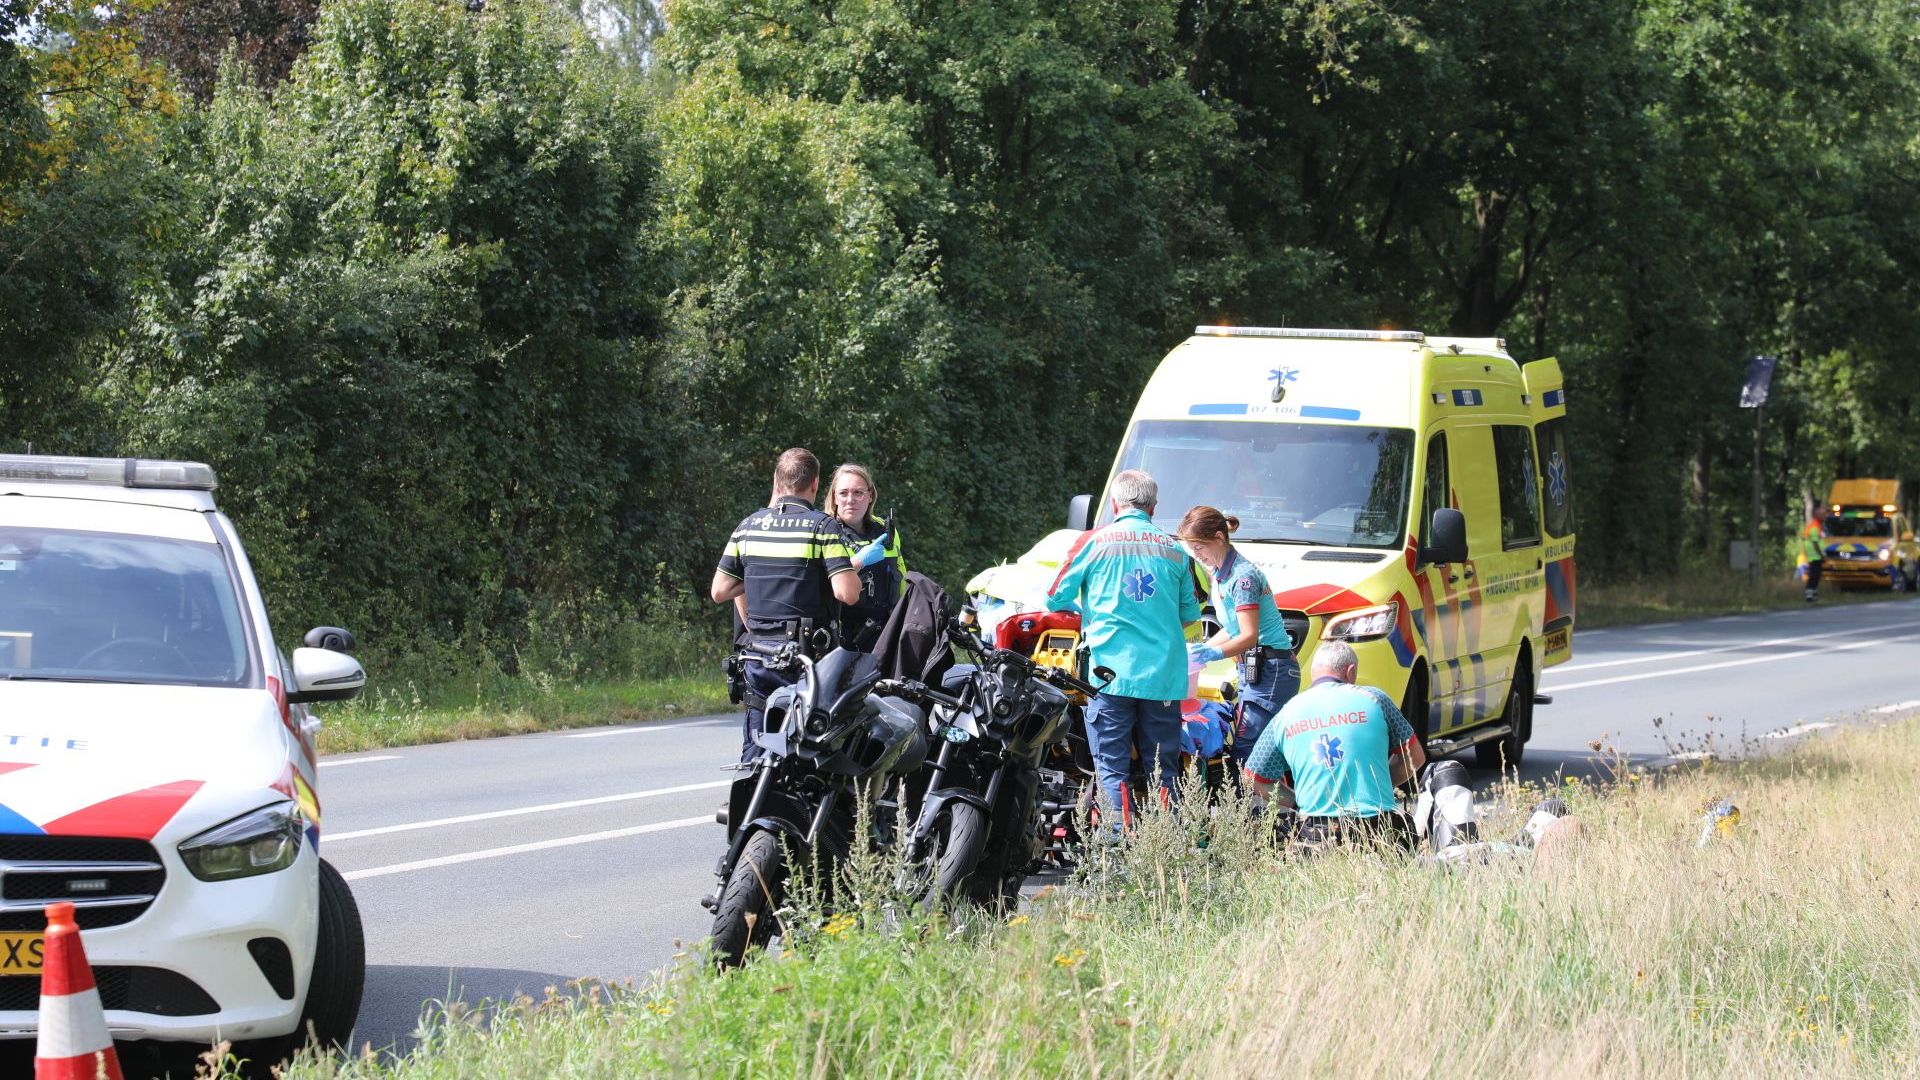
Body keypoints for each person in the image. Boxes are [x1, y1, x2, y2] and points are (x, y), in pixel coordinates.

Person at [1045, 469, 1201, 825]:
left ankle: (1116, 846)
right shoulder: (1176, 551)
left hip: (1109, 674)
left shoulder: (1092, 542)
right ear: (1153, 506)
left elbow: (1054, 598)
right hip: (1162, 677)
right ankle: (1166, 847)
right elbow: (1190, 613)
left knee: (1112, 769)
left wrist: (1091, 615)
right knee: (1163, 770)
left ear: (1114, 503)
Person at [711, 448, 863, 763]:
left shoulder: (748, 526)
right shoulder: (823, 527)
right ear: (815, 485)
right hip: (807, 661)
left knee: (756, 752)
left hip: (758, 658)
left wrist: (756, 577)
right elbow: (847, 594)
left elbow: (720, 590)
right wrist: (846, 570)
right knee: (808, 756)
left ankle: (749, 807)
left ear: (778, 483)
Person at [1241, 640, 1427, 846]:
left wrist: (1295, 802)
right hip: (1378, 830)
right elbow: (1415, 757)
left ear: (1314, 674)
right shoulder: (1375, 698)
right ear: (1351, 671)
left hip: (1317, 836)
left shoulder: (1286, 714)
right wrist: (1376, 783)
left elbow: (1253, 777)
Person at [1176, 505, 1300, 770]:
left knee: (1246, 751)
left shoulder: (1243, 578)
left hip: (1273, 670)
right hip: (1254, 670)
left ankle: (1257, 809)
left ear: (1219, 538)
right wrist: (1203, 648)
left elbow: (1249, 635)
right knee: (1250, 749)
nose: (1197, 556)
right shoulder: (1220, 575)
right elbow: (1232, 628)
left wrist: (1215, 654)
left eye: (1199, 548)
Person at [824, 463, 907, 652]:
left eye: (858, 493)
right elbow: (817, 586)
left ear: (870, 496)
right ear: (834, 497)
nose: (850, 500)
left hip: (885, 634)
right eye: (843, 493)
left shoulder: (884, 529)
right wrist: (857, 562)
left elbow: (900, 576)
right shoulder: (824, 531)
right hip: (841, 640)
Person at [1799, 507, 1828, 602]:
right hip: (1815, 555)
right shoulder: (1815, 526)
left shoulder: (1816, 525)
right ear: (1817, 515)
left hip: (1815, 555)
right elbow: (1815, 542)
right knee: (1814, 575)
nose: (1824, 516)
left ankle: (1813, 595)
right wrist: (1821, 555)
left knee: (1816, 575)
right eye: (1822, 515)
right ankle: (1809, 595)